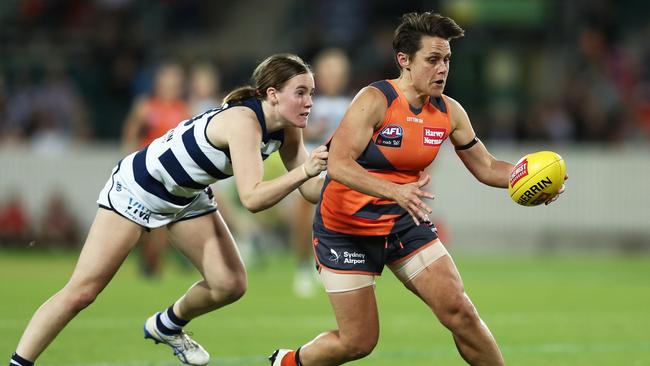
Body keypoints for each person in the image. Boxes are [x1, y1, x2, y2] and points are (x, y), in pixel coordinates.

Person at [270, 12, 565, 366]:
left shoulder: (449, 112)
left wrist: (529, 176)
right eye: (433, 59)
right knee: (358, 342)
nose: (442, 69)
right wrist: (394, 191)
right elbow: (339, 164)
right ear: (404, 61)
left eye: (447, 60)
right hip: (345, 229)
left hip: (403, 222)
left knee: (459, 310)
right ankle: (288, 362)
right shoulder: (375, 100)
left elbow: (486, 167)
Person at [8, 53, 328, 366]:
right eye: (300, 92)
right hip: (140, 189)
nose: (309, 102)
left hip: (186, 196)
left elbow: (312, 191)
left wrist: (337, 170)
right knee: (82, 292)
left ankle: (167, 325)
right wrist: (304, 171)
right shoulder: (244, 122)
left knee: (229, 283)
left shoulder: (288, 129)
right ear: (272, 95)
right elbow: (253, 199)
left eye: (311, 93)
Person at [289, 48, 352, 297]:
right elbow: (291, 131)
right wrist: (311, 132)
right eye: (328, 71)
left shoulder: (354, 103)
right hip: (313, 159)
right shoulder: (307, 101)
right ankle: (303, 266)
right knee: (306, 210)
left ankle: (336, 265)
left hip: (343, 164)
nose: (333, 77)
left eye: (338, 72)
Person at [121, 61, 191, 278]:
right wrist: (130, 160)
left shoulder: (184, 110)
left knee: (160, 222)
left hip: (173, 174)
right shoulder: (146, 106)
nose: (171, 84)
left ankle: (154, 262)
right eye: (167, 79)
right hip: (147, 170)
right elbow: (131, 133)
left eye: (175, 80)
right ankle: (153, 260)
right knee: (145, 223)